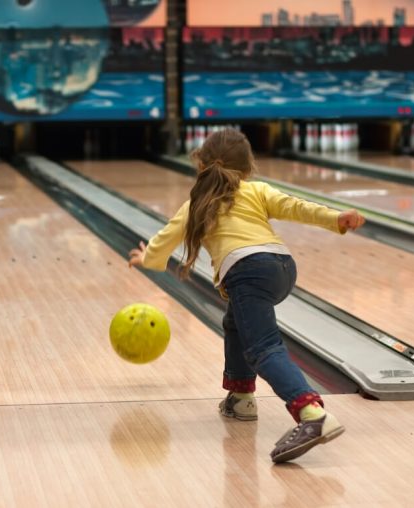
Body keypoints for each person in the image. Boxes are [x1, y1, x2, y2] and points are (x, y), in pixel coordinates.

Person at [128, 128, 365, 463]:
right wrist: (335, 218)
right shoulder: (257, 190)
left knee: (264, 347)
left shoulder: (196, 203)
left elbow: (164, 241)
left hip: (247, 272)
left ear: (202, 164)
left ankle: (312, 414)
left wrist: (146, 258)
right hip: (282, 267)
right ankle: (241, 397)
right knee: (236, 323)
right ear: (248, 167)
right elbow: (296, 207)